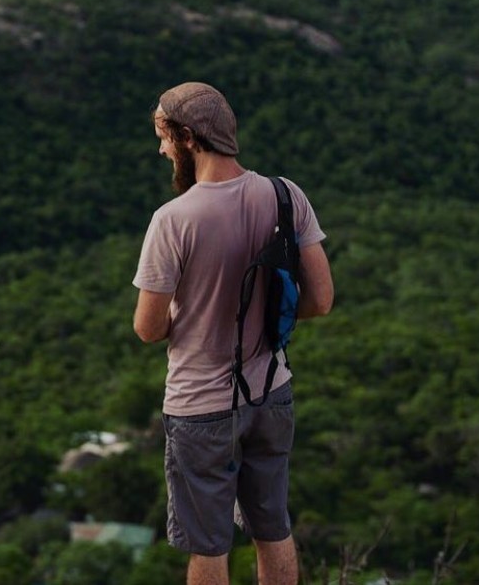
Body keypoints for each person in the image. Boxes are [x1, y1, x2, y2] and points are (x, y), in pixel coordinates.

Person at [132, 82, 334, 584]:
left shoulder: (172, 220)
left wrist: (199, 316)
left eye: (163, 137)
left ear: (187, 137)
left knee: (208, 544)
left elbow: (147, 328)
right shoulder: (286, 196)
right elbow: (320, 301)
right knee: (273, 528)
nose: (160, 149)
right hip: (272, 391)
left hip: (200, 406)